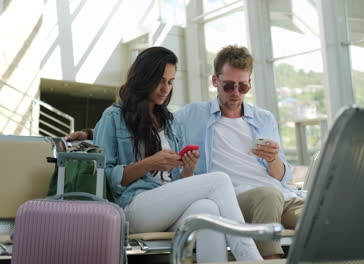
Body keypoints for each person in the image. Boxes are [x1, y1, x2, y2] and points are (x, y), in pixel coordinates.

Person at [92, 46, 262, 263]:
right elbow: (105, 178)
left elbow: (178, 182)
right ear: (144, 78)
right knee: (219, 180)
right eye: (160, 81)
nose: (166, 88)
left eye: (171, 82)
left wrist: (188, 168)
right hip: (133, 207)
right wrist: (150, 163)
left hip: (164, 205)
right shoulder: (113, 117)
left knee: (208, 211)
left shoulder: (170, 122)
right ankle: (251, 259)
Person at [174, 45, 304, 259]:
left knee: (325, 217)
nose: (236, 93)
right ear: (215, 81)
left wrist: (272, 159)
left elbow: (282, 176)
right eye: (229, 86)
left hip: (283, 196)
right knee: (268, 196)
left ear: (249, 83)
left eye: (242, 87)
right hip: (234, 199)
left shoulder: (264, 118)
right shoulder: (190, 116)